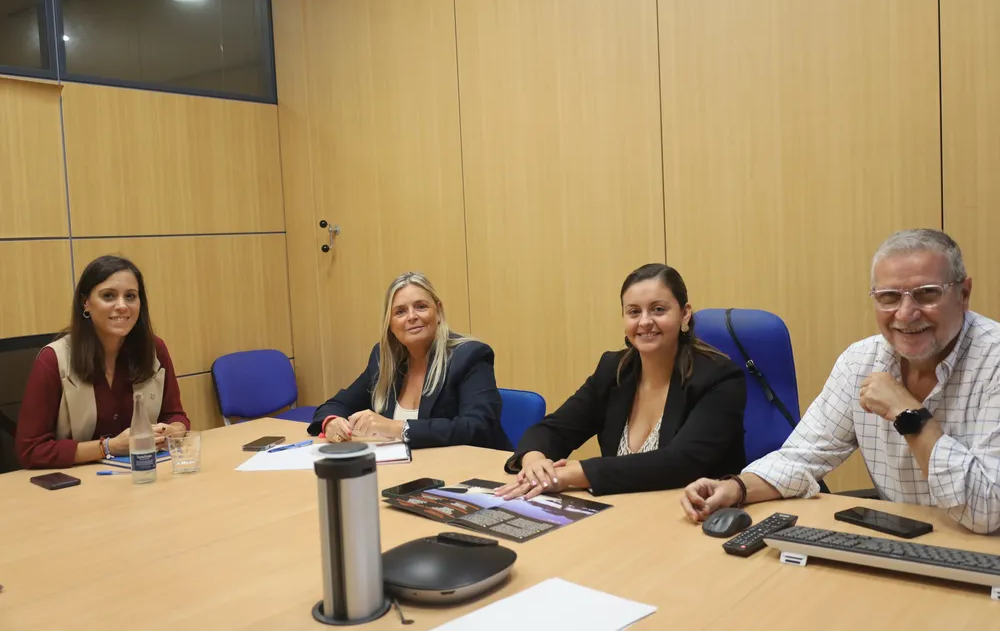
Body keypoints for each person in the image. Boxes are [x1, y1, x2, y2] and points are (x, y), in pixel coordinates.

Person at [681, 229, 1000, 535]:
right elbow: (801, 457)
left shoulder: (994, 362)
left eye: (927, 294)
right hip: (907, 543)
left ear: (964, 293)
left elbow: (986, 511)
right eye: (889, 297)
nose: (905, 313)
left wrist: (910, 416)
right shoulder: (860, 361)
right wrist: (735, 488)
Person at [497, 263, 747, 499]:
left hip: (694, 512)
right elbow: (554, 429)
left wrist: (574, 474)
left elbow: (680, 463)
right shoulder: (614, 369)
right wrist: (534, 460)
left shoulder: (719, 378)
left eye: (658, 309)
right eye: (634, 312)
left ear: (684, 314)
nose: (645, 321)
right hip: (624, 510)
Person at [16, 255, 190, 469]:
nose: (122, 306)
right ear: (85, 303)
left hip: (146, 473)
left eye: (130, 296)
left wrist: (173, 431)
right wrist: (109, 447)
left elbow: (175, 415)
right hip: (80, 483)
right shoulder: (53, 359)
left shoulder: (154, 349)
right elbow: (31, 450)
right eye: (108, 296)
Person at [308, 272, 510, 450]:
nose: (412, 317)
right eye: (400, 312)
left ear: (438, 312)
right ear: (390, 323)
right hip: (407, 470)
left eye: (421, 307)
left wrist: (396, 428)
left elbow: (478, 427)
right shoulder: (383, 359)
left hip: (470, 469)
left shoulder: (470, 356)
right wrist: (331, 422)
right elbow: (336, 404)